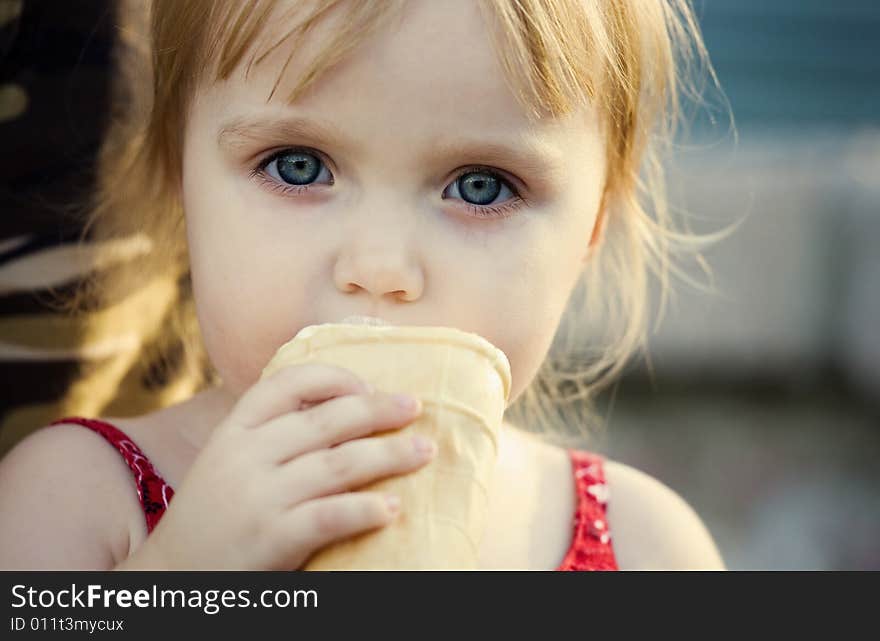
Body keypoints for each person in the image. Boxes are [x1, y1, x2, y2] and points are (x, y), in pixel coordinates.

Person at [0, 0, 728, 570]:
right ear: (176, 181)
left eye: (480, 186)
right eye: (298, 165)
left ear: (592, 227)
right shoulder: (71, 504)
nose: (380, 268)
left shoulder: (648, 547)